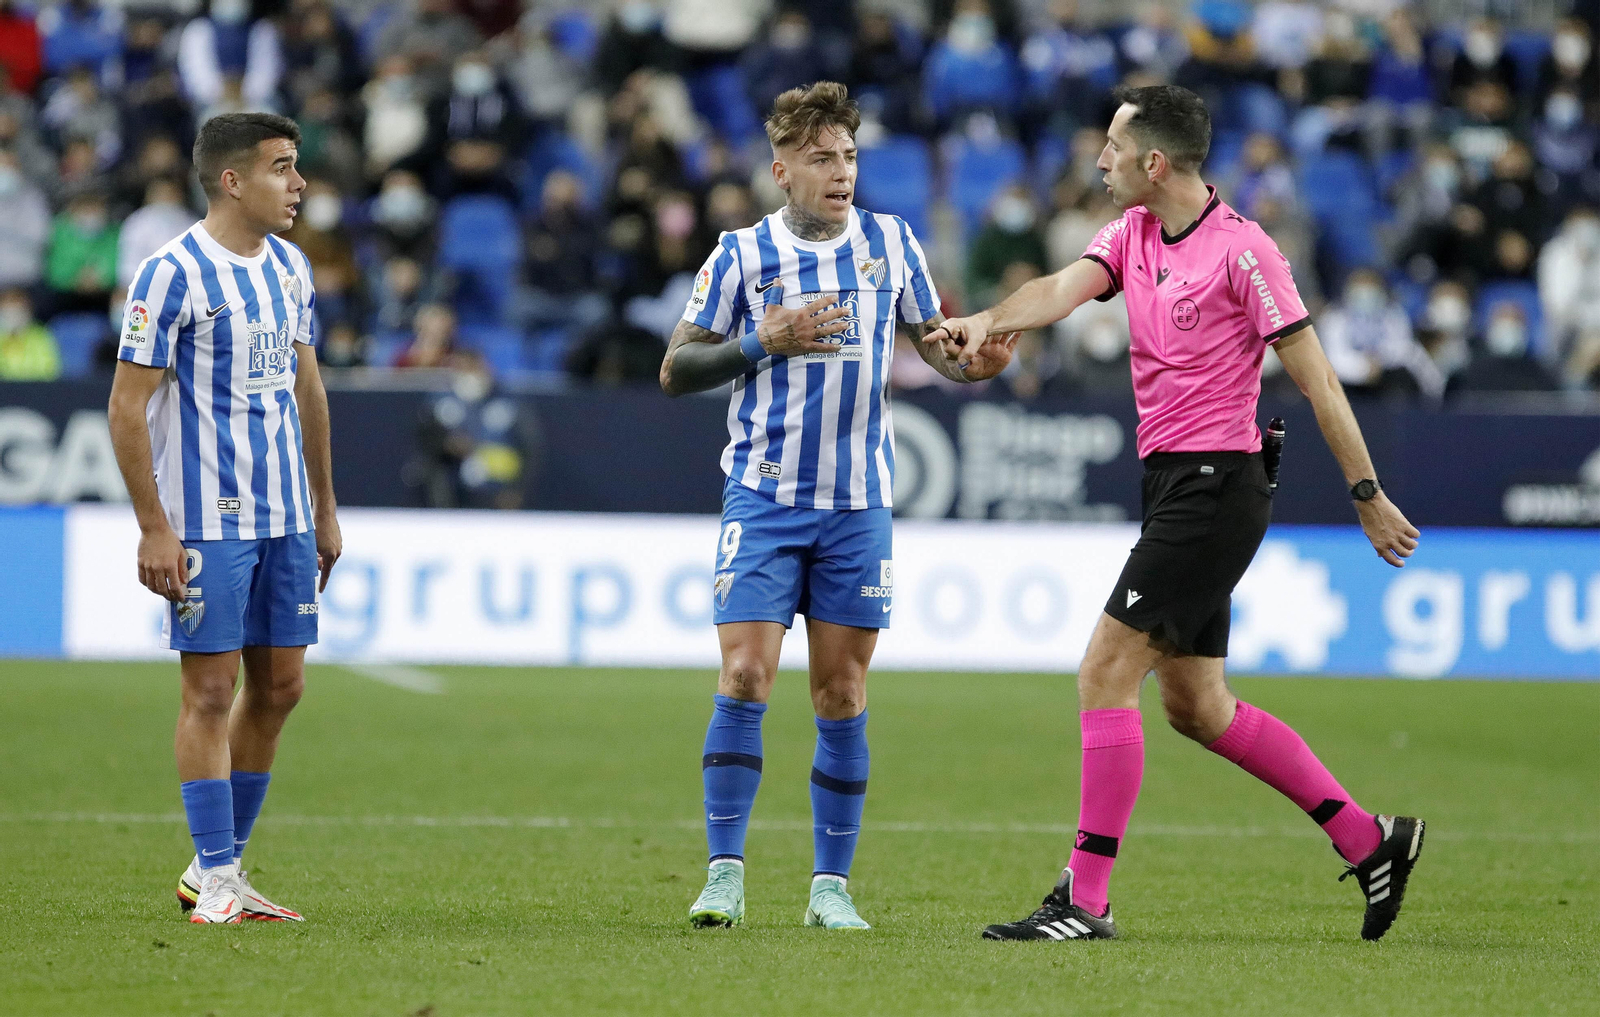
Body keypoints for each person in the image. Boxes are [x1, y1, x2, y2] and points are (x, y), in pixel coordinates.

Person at [930, 85, 1425, 943]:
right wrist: (983, 320)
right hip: (1173, 483)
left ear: (1154, 163)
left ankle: (1085, 899)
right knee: (1197, 705)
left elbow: (1318, 378)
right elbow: (1057, 289)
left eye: (1113, 150)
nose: (1099, 162)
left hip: (1217, 486)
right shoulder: (1131, 234)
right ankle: (1370, 837)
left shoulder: (1246, 253)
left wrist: (1366, 492)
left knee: (1104, 670)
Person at [658, 82, 1016, 932]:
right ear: (782, 171)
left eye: (849, 156)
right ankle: (724, 874)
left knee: (842, 693)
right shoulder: (741, 254)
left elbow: (938, 345)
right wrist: (760, 343)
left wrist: (975, 364)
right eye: (822, 158)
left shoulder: (891, 243)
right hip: (765, 494)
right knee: (745, 674)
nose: (841, 171)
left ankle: (831, 888)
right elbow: (676, 369)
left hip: (859, 505)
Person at [106, 113, 342, 925]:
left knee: (281, 687)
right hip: (207, 517)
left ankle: (221, 869)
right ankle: (215, 876)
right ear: (232, 180)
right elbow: (127, 408)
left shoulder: (291, 269)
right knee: (212, 689)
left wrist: (325, 508)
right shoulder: (169, 274)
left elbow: (307, 392)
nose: (299, 184)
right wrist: (152, 524)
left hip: (286, 517)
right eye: (282, 168)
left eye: (298, 166)